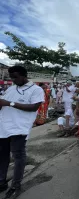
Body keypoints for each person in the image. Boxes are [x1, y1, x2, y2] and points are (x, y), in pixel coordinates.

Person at [0, 66, 44, 199]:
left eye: (15, 77)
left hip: (19, 128)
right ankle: (1, 181)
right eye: (11, 77)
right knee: (2, 155)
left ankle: (16, 185)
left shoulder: (36, 89)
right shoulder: (12, 88)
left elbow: (34, 107)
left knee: (18, 156)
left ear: (24, 75)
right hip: (3, 126)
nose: (13, 80)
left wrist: (9, 103)